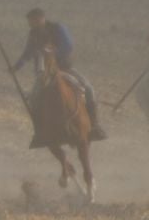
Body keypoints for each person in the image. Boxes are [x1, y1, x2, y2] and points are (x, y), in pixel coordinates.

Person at [11, 8, 104, 136]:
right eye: (30, 22)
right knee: (33, 99)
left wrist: (52, 54)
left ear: (41, 18)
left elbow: (68, 45)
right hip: (45, 73)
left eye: (33, 21)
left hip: (64, 68)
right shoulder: (33, 34)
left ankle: (94, 125)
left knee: (89, 89)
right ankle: (40, 131)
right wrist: (16, 67)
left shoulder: (57, 28)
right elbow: (28, 53)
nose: (31, 24)